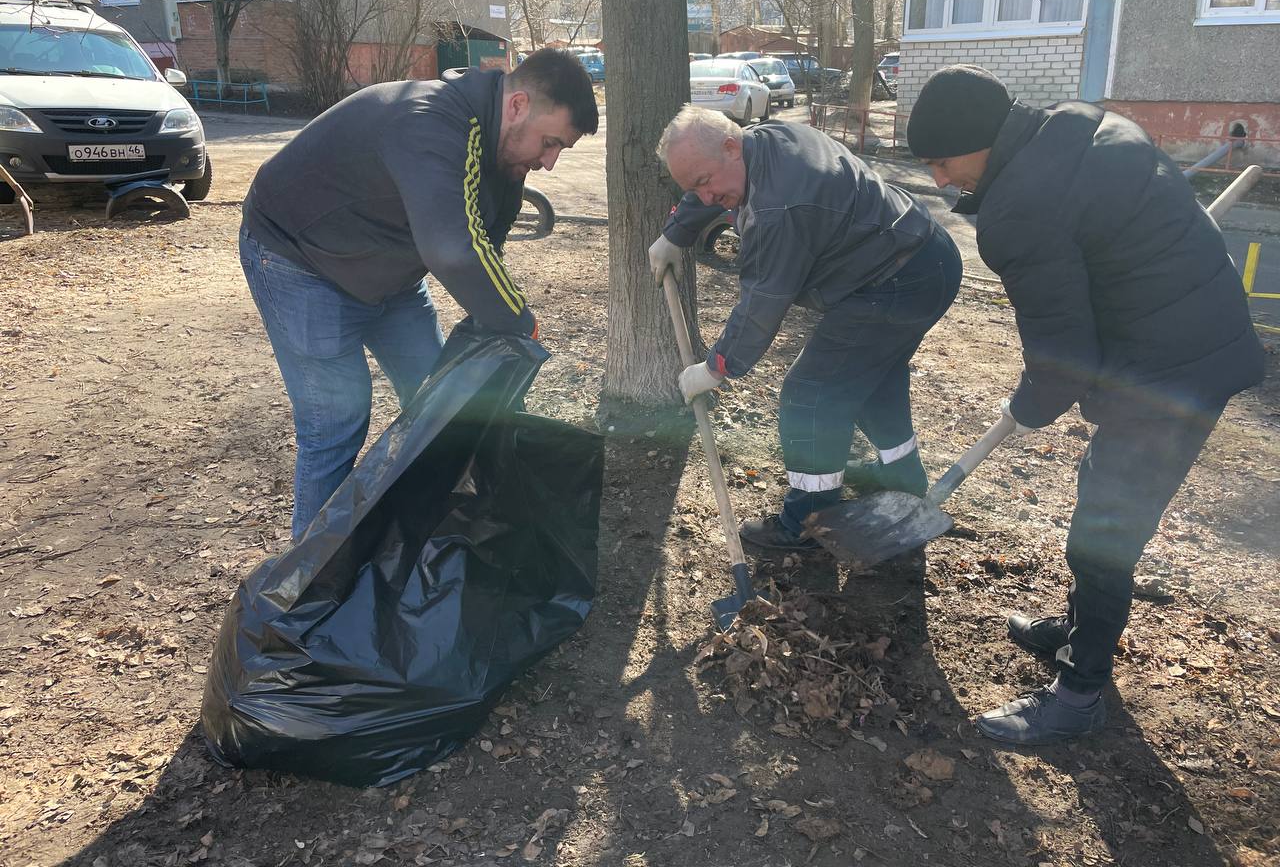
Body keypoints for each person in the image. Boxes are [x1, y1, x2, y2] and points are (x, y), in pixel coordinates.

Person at [906, 64, 1265, 745]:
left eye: (944, 163)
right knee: (1097, 499)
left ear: (982, 140)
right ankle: (1079, 628)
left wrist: (1032, 403)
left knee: (1104, 535)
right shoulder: (1082, 122)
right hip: (1191, 336)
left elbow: (1061, 359)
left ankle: (1080, 693)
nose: (941, 183)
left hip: (1171, 374)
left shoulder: (1018, 211)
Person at [239, 49, 598, 541]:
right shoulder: (429, 122)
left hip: (386, 271)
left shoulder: (505, 162)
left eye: (562, 150)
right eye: (550, 142)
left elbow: (484, 254)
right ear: (516, 105)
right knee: (338, 417)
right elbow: (452, 252)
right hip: (298, 259)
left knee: (439, 393)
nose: (550, 163)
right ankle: (305, 589)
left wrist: (503, 328)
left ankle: (420, 535)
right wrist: (519, 321)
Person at [649, 106, 963, 550]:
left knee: (810, 393)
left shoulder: (781, 206)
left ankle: (809, 521)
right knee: (872, 380)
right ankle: (901, 477)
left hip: (898, 279)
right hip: (920, 255)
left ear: (731, 146)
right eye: (691, 189)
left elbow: (762, 302)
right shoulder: (760, 142)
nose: (704, 197)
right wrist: (676, 233)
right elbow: (714, 187)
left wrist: (716, 368)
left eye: (702, 182)